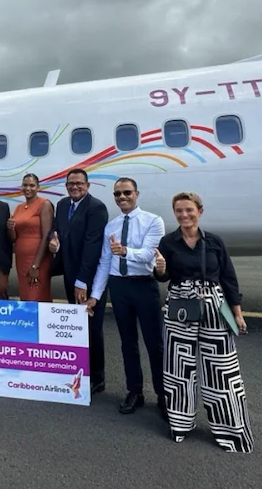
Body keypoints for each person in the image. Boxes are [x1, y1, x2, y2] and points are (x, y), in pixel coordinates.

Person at [154, 191, 253, 452]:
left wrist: (237, 313)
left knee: (222, 369)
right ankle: (180, 424)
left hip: (213, 305)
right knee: (178, 369)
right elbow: (162, 278)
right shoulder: (168, 242)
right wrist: (161, 269)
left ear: (200, 211)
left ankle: (230, 429)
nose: (184, 215)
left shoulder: (215, 242)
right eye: (179, 211)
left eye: (189, 210)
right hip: (180, 307)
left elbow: (229, 279)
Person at [89, 178, 166, 416]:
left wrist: (125, 251)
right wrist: (95, 296)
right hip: (119, 287)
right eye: (117, 194)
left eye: (126, 193)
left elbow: (148, 256)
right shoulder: (110, 226)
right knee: (127, 343)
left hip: (144, 286)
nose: (122, 197)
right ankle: (135, 391)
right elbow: (104, 262)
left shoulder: (153, 221)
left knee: (155, 344)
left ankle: (164, 395)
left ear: (136, 194)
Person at [48, 168, 108, 394]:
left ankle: (97, 378)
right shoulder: (63, 205)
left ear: (87, 185)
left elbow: (93, 247)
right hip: (70, 274)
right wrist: (54, 241)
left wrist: (83, 281)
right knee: (77, 327)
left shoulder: (96, 208)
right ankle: (82, 370)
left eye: (79, 183)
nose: (74, 187)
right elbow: (57, 230)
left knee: (92, 328)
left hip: (88, 278)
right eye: (70, 183)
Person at [7, 173, 54, 302]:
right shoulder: (19, 208)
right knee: (26, 296)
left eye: (32, 185)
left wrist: (36, 266)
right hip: (22, 260)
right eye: (25, 185)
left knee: (36, 296)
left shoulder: (44, 204)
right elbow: (14, 238)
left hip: (38, 260)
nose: (28, 188)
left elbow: (46, 236)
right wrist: (10, 227)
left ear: (38, 187)